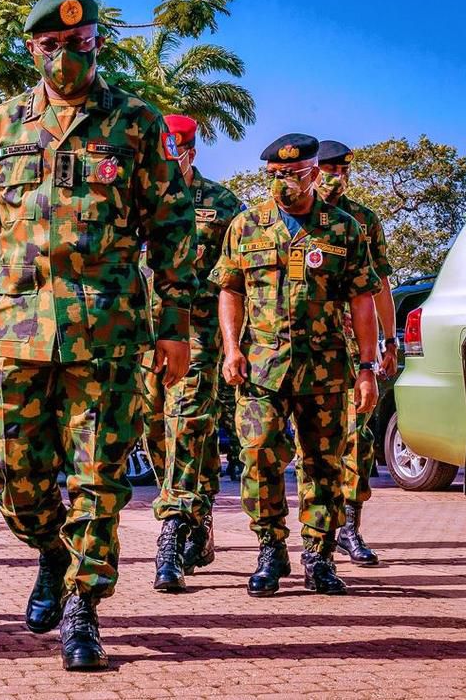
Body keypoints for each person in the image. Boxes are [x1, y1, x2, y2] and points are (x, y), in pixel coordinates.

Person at [0, 0, 197, 670]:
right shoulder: (2, 126)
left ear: (95, 44)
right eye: (51, 46)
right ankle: (52, 549)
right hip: (16, 327)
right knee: (11, 474)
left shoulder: (137, 123)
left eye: (78, 43)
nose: (65, 56)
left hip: (106, 331)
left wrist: (173, 324)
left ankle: (83, 605)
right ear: (32, 49)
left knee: (97, 474)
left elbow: (171, 227)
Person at [212, 133, 381, 597]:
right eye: (278, 175)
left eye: (297, 174)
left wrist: (368, 366)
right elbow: (230, 289)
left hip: (326, 369)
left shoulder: (343, 228)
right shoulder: (247, 226)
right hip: (262, 366)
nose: (287, 183)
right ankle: (270, 548)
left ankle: (319, 555)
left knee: (324, 464)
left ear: (314, 173)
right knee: (259, 453)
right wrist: (232, 347)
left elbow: (362, 298)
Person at [140, 115, 244, 592]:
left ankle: (172, 530)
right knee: (156, 429)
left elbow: (239, 283)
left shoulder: (222, 206)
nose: (168, 159)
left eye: (175, 151)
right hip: (142, 338)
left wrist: (235, 345)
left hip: (196, 335)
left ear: (190, 153)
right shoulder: (133, 197)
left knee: (186, 424)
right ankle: (198, 517)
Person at [313, 140, 396, 566]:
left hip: (353, 350)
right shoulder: (288, 218)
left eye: (341, 170)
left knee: (357, 440)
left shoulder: (363, 220)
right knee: (313, 445)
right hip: (309, 350)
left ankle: (349, 527)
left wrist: (389, 339)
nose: (336, 177)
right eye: (328, 169)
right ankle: (309, 536)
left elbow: (378, 285)